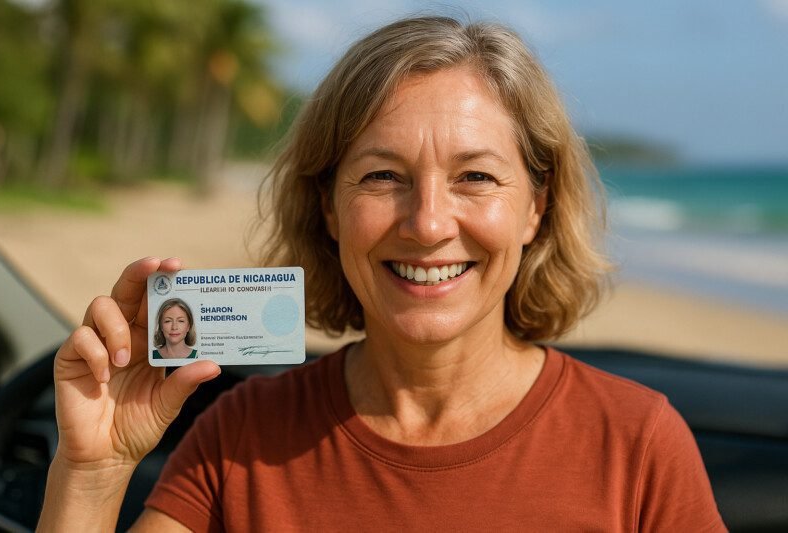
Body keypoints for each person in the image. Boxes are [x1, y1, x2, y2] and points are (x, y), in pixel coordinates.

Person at [38, 15, 726, 532]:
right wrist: (93, 472)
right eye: (382, 176)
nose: (427, 224)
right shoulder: (242, 435)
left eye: (475, 176)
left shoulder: (637, 445)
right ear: (329, 208)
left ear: (534, 209)